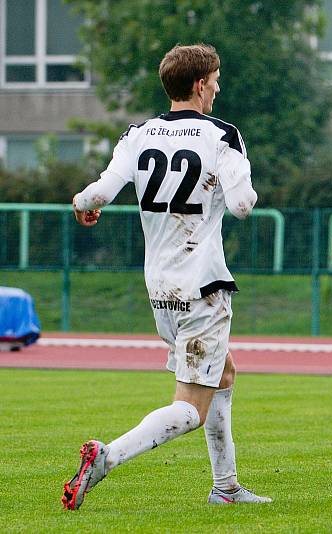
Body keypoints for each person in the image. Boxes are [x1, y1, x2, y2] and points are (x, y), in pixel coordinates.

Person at [62, 44, 269, 510]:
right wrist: (238, 182)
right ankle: (105, 458)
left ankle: (227, 487)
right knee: (191, 408)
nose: (218, 86)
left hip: (160, 287)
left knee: (224, 373)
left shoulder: (138, 133)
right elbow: (241, 206)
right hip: (203, 284)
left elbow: (97, 193)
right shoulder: (222, 135)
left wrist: (82, 206)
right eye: (215, 79)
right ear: (199, 84)